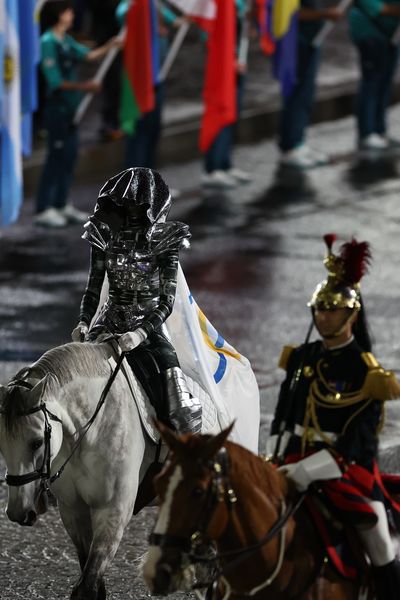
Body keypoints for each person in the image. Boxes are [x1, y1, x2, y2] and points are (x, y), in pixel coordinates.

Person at [267, 233, 400, 599]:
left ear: (352, 314)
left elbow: (360, 443)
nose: (323, 317)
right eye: (319, 309)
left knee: (376, 533)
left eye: (333, 310)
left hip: (346, 470)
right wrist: (272, 457)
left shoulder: (368, 373)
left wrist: (307, 471)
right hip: (290, 459)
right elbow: (283, 414)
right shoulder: (300, 357)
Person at [71, 167, 202, 434]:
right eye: (125, 203)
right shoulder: (103, 235)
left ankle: (186, 464)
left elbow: (167, 300)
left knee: (180, 409)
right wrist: (84, 322)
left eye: (137, 204)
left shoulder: (164, 239)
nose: (131, 210)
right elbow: (93, 289)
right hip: (107, 322)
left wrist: (141, 334)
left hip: (148, 326)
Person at [35, 0, 122, 229]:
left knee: (70, 156)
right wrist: (85, 87)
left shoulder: (66, 40)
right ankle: (43, 208)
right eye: (67, 11)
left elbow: (89, 56)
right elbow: (54, 81)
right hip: (58, 110)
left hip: (72, 109)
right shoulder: (48, 42)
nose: (72, 14)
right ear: (57, 14)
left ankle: (61, 202)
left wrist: (110, 46)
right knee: (56, 157)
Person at [279, 1, 345, 169]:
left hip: (312, 39)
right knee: (296, 94)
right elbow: (290, 14)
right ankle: (290, 146)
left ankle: (298, 142)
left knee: (305, 95)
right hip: (295, 40)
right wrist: (324, 14)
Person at [201, 0, 252, 189]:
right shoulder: (214, 5)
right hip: (222, 67)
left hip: (236, 63)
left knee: (231, 113)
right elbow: (209, 34)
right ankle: (211, 168)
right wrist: (230, 61)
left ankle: (225, 163)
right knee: (219, 112)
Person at [349, 0, 400, 153]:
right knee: (372, 82)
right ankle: (367, 133)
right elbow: (374, 7)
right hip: (370, 33)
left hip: (391, 34)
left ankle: (379, 129)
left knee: (384, 82)